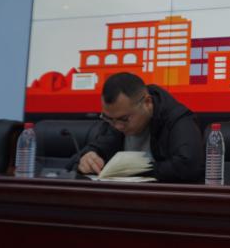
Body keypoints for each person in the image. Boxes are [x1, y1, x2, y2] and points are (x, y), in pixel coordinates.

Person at [73, 72, 203, 183]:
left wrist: (133, 170)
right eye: (108, 118)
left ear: (147, 103)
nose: (117, 126)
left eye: (124, 119)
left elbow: (188, 167)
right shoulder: (114, 119)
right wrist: (88, 157)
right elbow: (95, 148)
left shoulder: (178, 120)